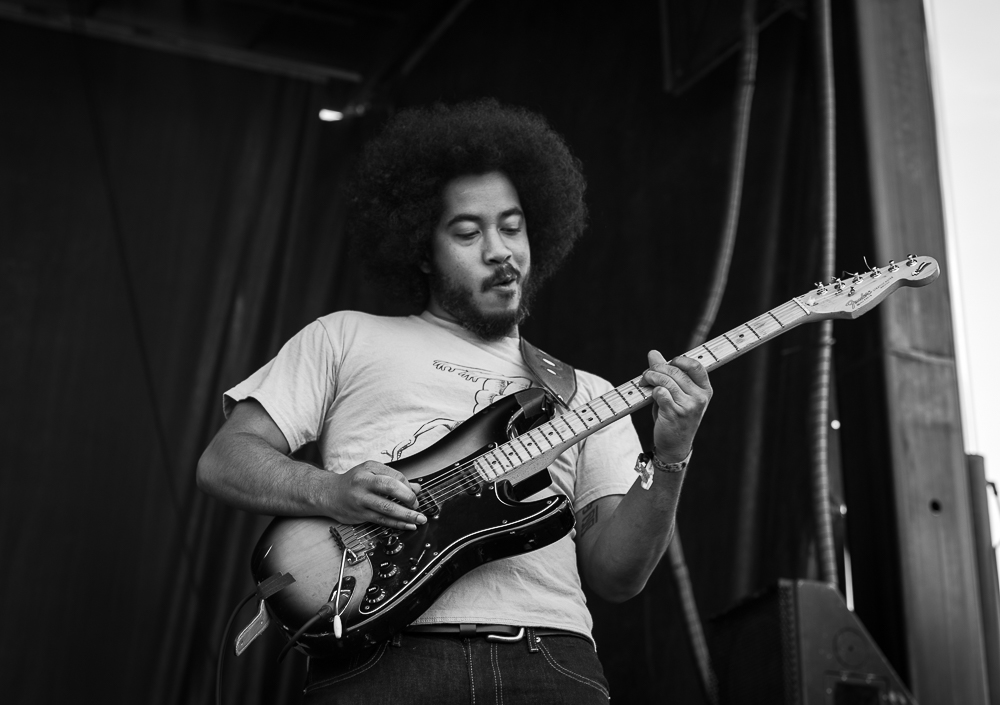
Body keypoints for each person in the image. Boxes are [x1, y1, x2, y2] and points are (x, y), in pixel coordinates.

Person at [197, 99, 712, 704]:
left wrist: (673, 457)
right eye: (468, 233)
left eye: (512, 226)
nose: (500, 250)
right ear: (421, 248)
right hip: (383, 662)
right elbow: (224, 459)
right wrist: (331, 492)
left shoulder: (588, 393)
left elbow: (617, 575)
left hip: (548, 661)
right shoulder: (345, 336)